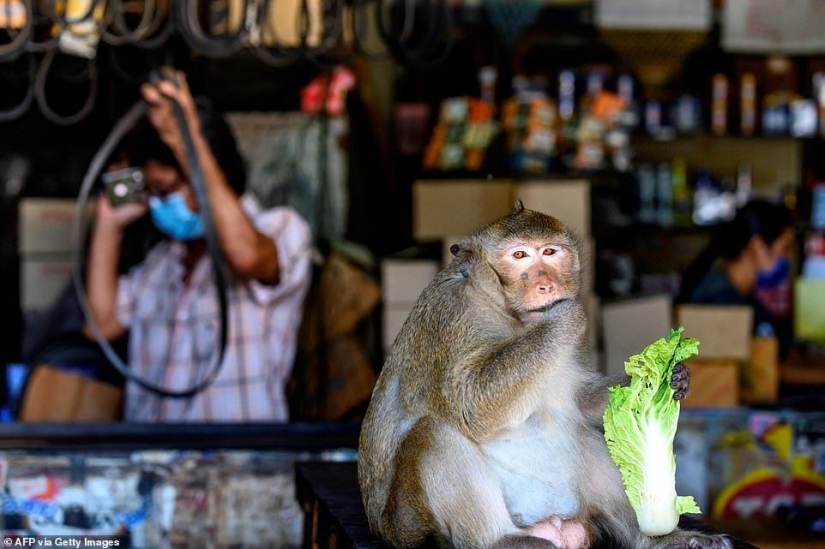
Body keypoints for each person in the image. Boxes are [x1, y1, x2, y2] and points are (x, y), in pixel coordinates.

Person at [84, 70, 313, 422]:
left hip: (238, 469)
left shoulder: (282, 230)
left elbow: (246, 256)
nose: (164, 202)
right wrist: (107, 224)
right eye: (156, 193)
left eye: (172, 189)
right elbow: (102, 323)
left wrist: (187, 141)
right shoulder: (163, 262)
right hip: (159, 466)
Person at [677, 198, 795, 359]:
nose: (788, 257)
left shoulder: (742, 295)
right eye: (785, 248)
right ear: (756, 246)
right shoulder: (718, 302)